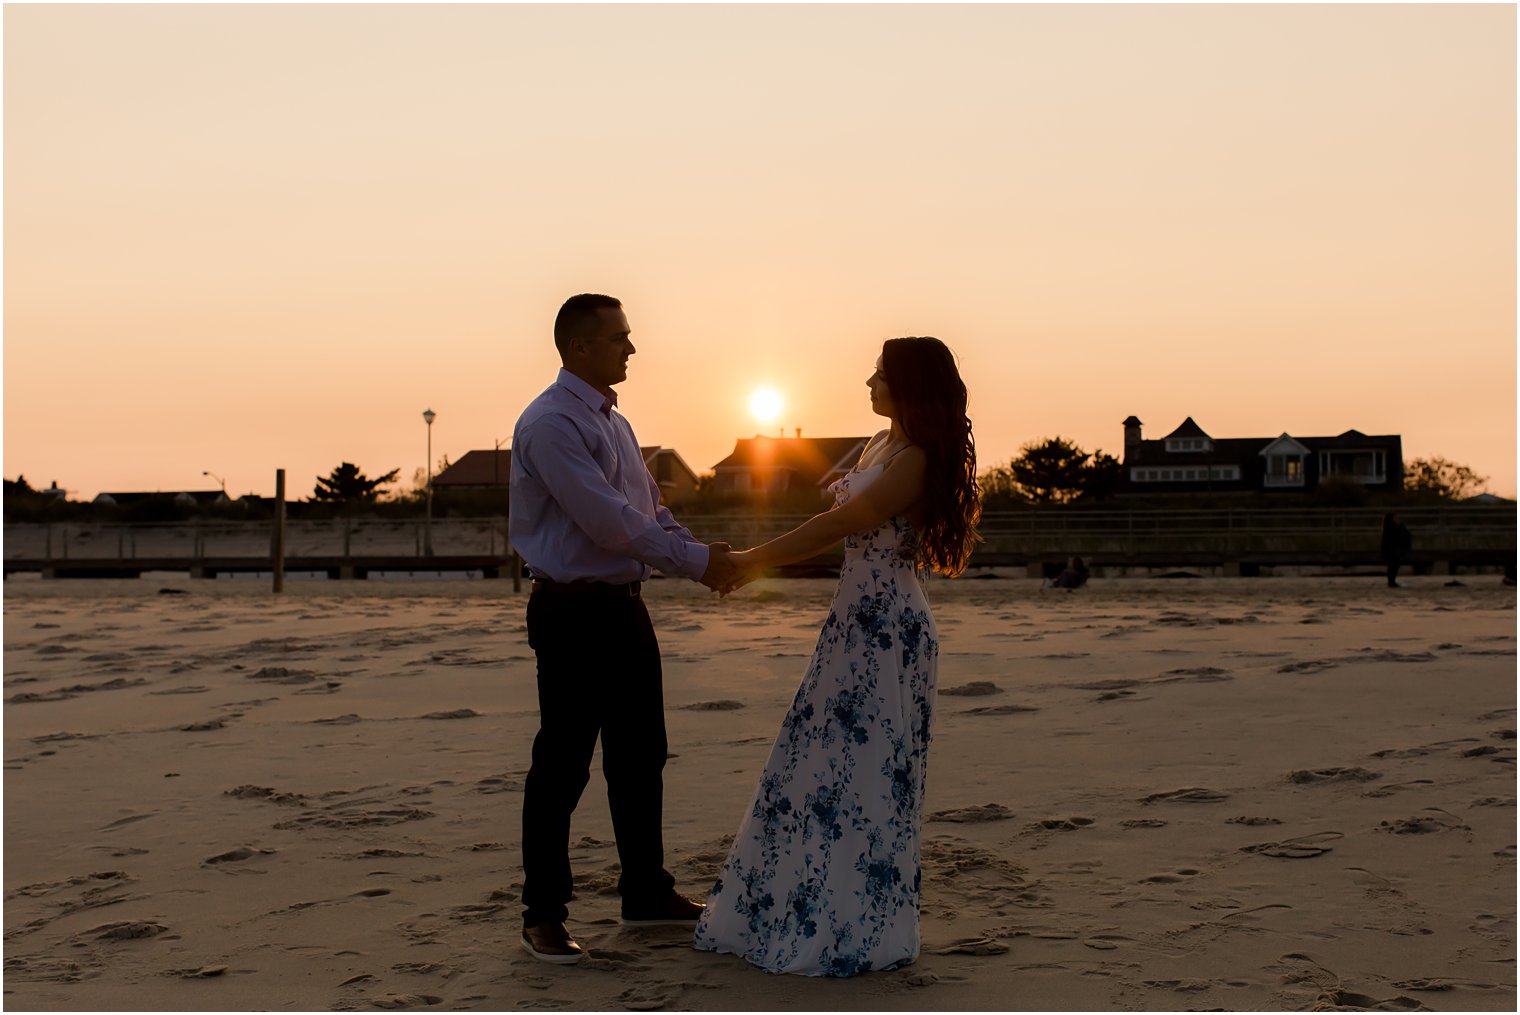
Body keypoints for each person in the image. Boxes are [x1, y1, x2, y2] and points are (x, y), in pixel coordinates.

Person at [692, 336, 981, 976]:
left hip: (889, 626)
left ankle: (857, 922)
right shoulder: (879, 444)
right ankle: (801, 900)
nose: (868, 382)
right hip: (852, 620)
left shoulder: (915, 458)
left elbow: (833, 526)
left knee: (870, 772)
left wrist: (746, 560)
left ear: (907, 384)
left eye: (879, 374)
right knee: (819, 763)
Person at [509, 294, 738, 964]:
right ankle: (542, 914)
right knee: (563, 763)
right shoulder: (551, 423)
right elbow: (607, 522)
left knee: (641, 755)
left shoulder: (616, 422)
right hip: (572, 609)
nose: (631, 348)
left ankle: (645, 891)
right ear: (580, 347)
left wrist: (702, 554)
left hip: (623, 605)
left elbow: (648, 511)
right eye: (619, 338)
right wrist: (701, 566)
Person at [1379, 512, 1412, 588]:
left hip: (1391, 549)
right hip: (1393, 550)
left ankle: (1391, 581)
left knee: (1393, 566)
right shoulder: (1393, 527)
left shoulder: (1387, 527)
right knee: (1393, 565)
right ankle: (1391, 582)